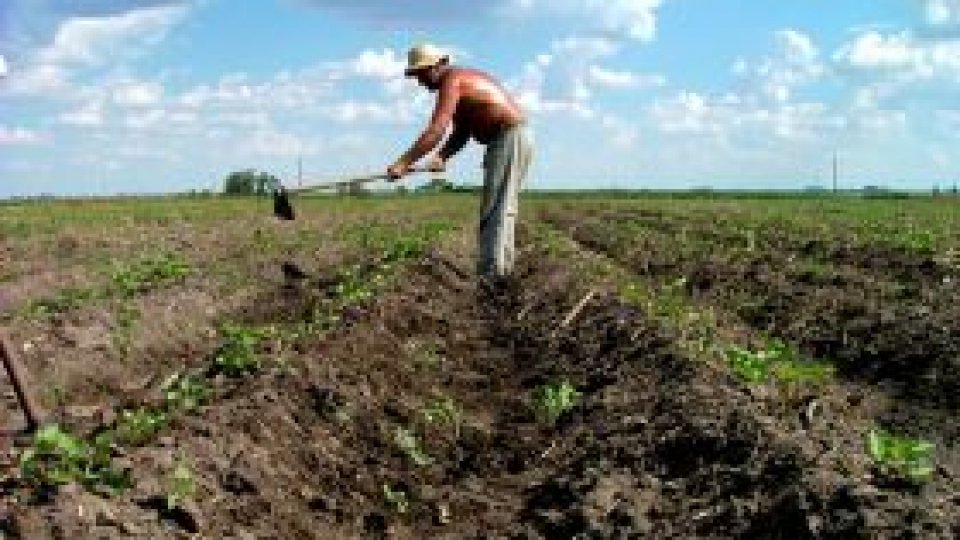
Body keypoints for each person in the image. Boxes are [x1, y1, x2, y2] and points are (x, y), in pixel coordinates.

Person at [388, 43, 533, 280]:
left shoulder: (452, 80)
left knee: (498, 208)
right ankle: (496, 274)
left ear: (440, 65)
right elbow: (461, 132)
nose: (420, 81)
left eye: (422, 73)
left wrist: (403, 163)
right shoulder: (460, 83)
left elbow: (436, 130)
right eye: (416, 75)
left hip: (509, 136)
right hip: (508, 138)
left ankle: (494, 279)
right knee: (498, 208)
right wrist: (442, 156)